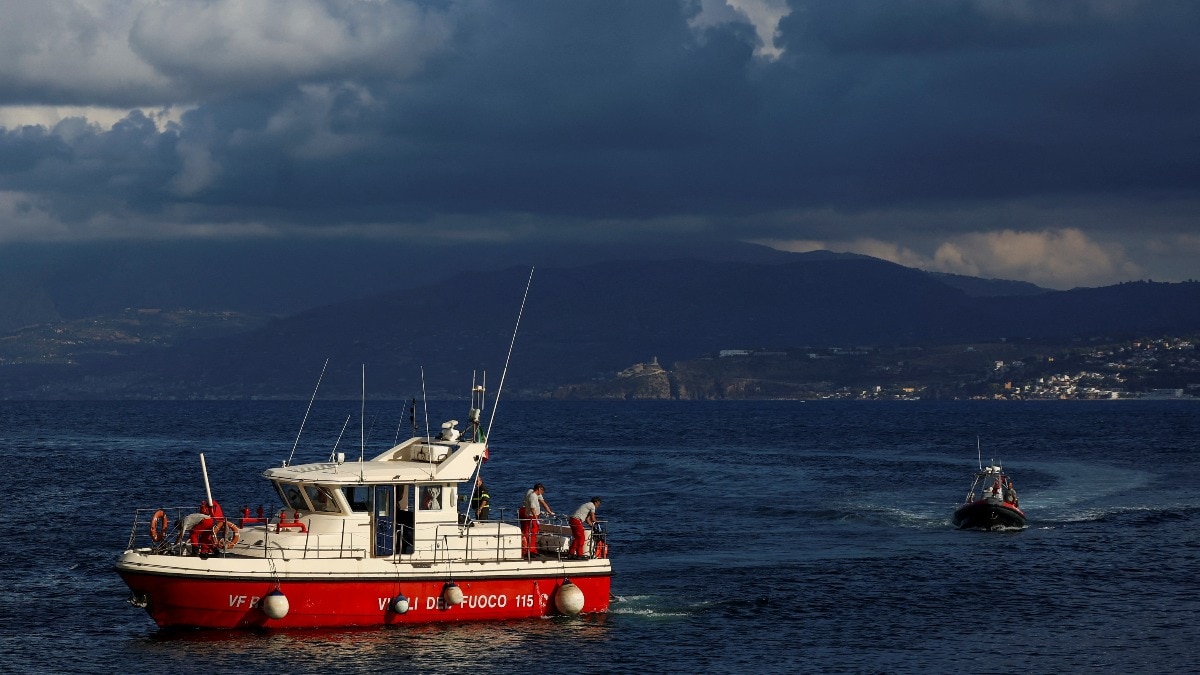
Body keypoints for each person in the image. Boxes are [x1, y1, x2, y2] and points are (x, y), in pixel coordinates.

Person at [519, 483, 553, 558]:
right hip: (529, 514)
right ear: (538, 489)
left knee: (532, 532)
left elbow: (543, 502)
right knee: (528, 532)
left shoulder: (535, 494)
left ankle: (531, 549)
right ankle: (527, 550)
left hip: (530, 514)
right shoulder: (533, 496)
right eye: (542, 490)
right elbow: (532, 508)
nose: (543, 492)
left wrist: (549, 511)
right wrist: (536, 518)